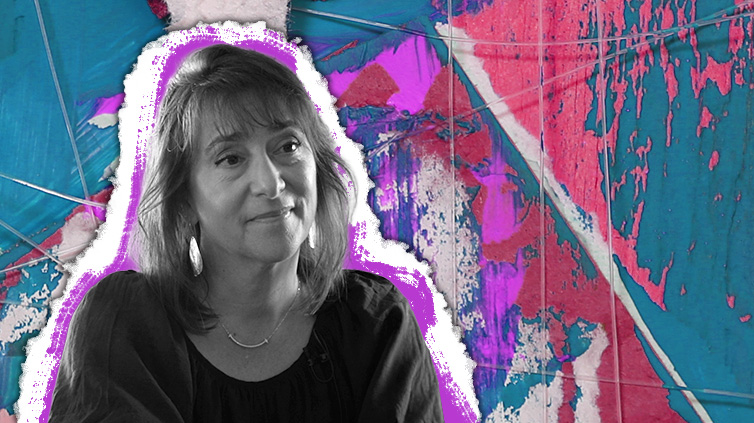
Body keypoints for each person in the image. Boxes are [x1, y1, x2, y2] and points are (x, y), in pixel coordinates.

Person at [49, 42, 443, 422]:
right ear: (184, 197)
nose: (271, 184)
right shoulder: (126, 322)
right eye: (231, 158)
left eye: (288, 146)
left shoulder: (377, 323)